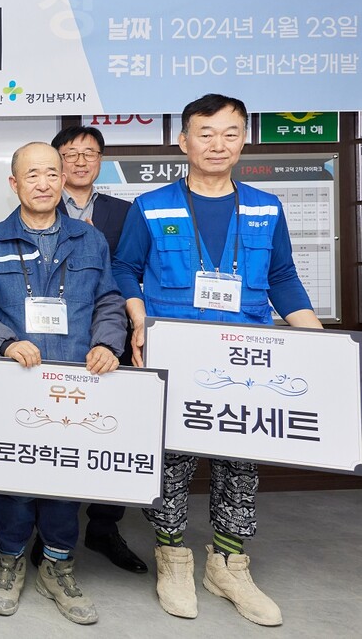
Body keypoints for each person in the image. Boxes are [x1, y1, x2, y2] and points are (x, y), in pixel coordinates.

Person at [112, 93, 323, 626]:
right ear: (183, 141)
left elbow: (282, 277)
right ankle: (173, 558)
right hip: (175, 353)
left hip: (247, 362)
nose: (217, 144)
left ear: (243, 140)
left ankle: (229, 564)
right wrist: (139, 318)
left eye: (230, 133)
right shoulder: (151, 206)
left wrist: (322, 346)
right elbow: (124, 268)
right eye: (205, 133)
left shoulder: (265, 208)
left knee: (240, 461)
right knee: (172, 461)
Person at [0, 142, 126, 626]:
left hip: (76, 379)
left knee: (64, 479)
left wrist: (107, 343)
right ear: (14, 183)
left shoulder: (90, 240)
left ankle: (57, 564)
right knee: (14, 480)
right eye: (32, 175)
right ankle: (9, 560)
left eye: (52, 173)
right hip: (16, 378)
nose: (43, 183)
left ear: (63, 179)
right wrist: (6, 342)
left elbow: (109, 300)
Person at [25, 125, 148, 575]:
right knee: (50, 439)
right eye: (70, 154)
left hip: (105, 344)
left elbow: (130, 272)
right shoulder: (36, 204)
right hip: (48, 345)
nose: (79, 162)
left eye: (89, 154)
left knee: (105, 437)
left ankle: (103, 527)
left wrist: (114, 338)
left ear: (101, 161)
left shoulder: (124, 212)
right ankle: (48, 535)